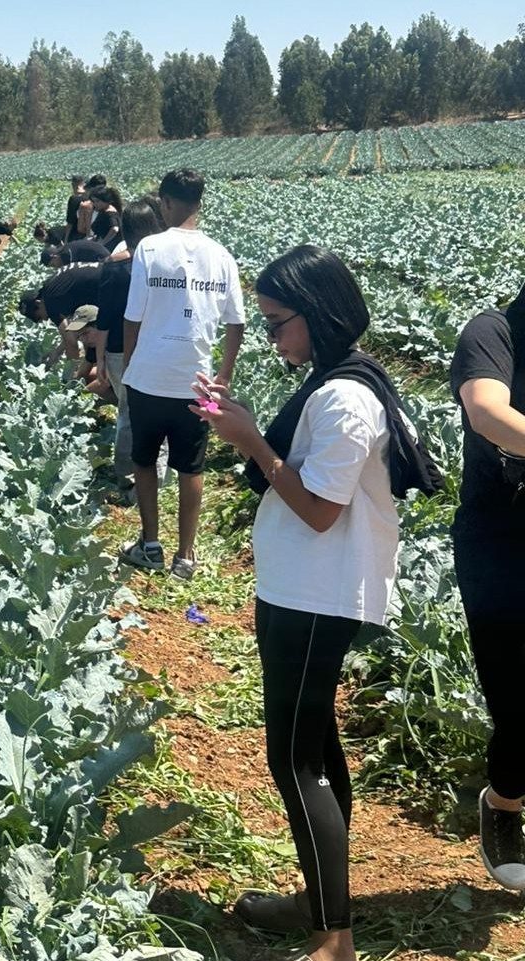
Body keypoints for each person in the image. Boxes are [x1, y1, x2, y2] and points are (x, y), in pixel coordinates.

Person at [193, 245, 435, 961]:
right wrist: (238, 426)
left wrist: (252, 444)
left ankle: (335, 936)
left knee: (294, 761)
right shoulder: (335, 381)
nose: (271, 338)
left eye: (277, 323)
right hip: (299, 589)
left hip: (315, 595)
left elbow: (320, 510)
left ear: (317, 314)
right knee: (318, 753)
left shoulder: (344, 397)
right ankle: (320, 897)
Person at [119, 168, 244, 579]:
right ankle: (186, 557)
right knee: (193, 466)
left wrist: (133, 365)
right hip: (201, 381)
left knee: (144, 458)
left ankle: (150, 543)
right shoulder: (222, 254)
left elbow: (133, 317)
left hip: (148, 377)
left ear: (166, 202)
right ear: (199, 203)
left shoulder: (150, 249)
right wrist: (223, 373)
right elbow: (236, 322)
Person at [450, 280, 525, 891]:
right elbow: (488, 413)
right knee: (517, 703)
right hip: (501, 547)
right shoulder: (493, 332)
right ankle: (504, 803)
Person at [90, 200, 165, 498]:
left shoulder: (115, 269)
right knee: (161, 410)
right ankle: (161, 477)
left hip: (121, 351)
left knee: (128, 413)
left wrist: (100, 361)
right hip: (159, 348)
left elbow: (105, 321)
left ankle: (126, 475)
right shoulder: (166, 266)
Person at [18, 259, 102, 368]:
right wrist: (57, 352)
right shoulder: (52, 287)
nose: (44, 320)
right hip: (107, 273)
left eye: (39, 317)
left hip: (109, 286)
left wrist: (70, 372)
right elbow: (71, 332)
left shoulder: (50, 303)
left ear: (38, 303)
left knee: (92, 339)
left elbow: (71, 342)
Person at [63, 175, 86, 242]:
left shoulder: (74, 199)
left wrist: (66, 238)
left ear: (73, 184)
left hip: (76, 232)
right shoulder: (90, 196)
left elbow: (70, 220)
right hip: (90, 231)